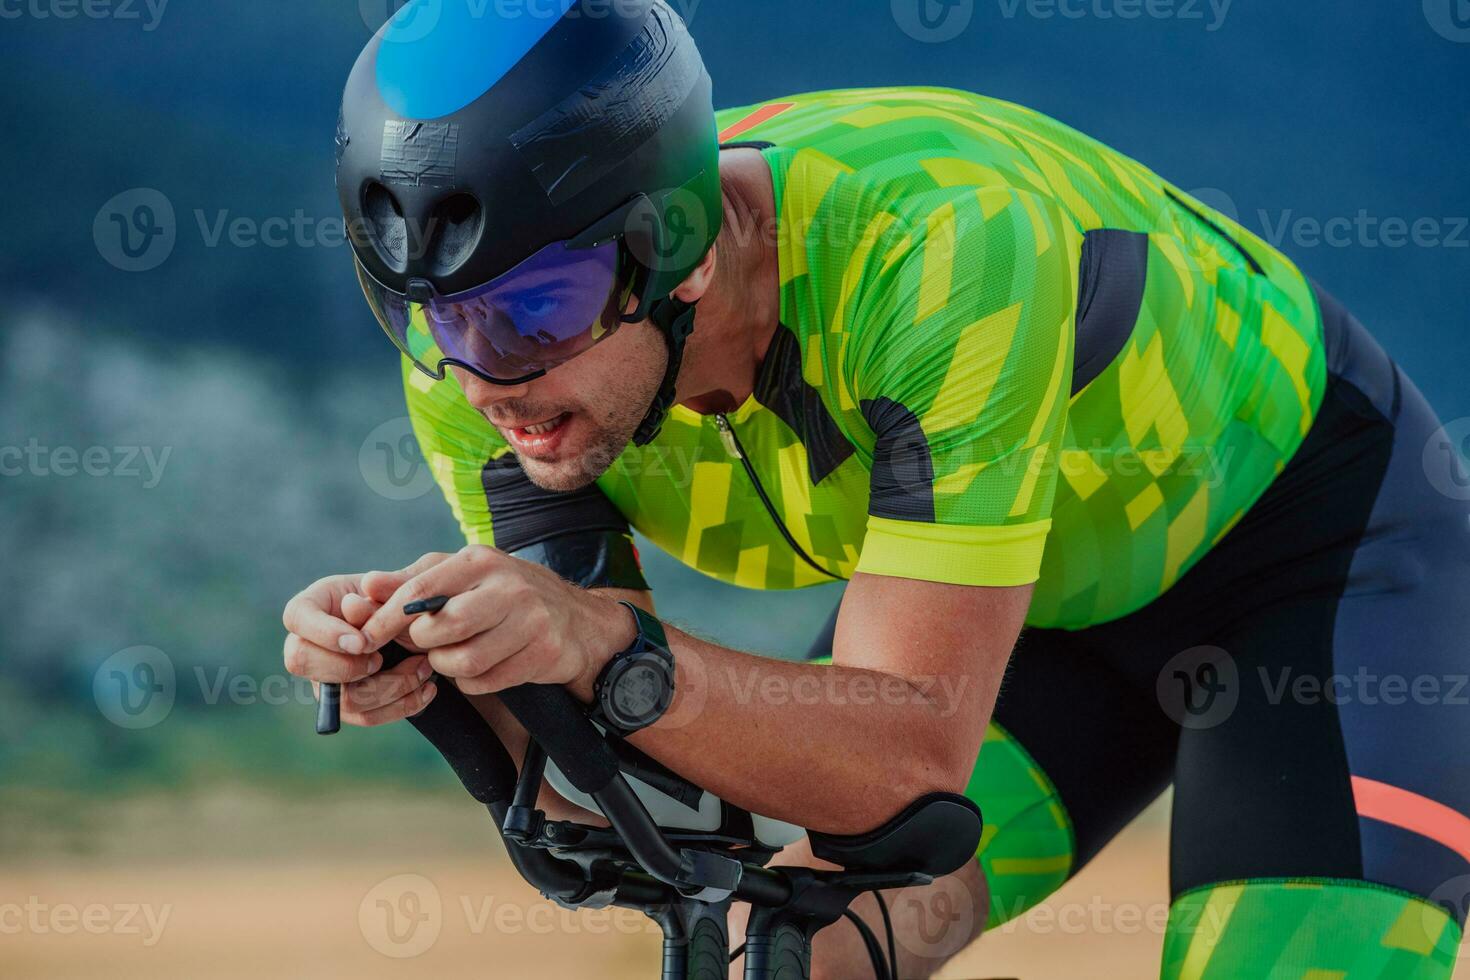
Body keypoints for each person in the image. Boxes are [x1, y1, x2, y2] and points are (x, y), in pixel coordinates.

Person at [283, 1, 1470, 975]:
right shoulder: (474, 367)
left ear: (677, 249)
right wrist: (457, 674)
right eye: (424, 308)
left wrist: (591, 637)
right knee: (793, 954)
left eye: (534, 307)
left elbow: (907, 759)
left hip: (1315, 569)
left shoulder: (941, 250)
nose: (484, 374)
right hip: (1024, 617)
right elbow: (628, 797)